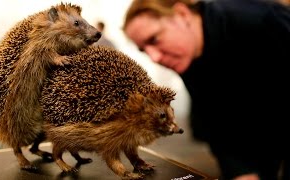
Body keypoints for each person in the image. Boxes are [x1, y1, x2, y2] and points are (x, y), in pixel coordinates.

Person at [122, 0, 290, 179]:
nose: (154, 57)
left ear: (182, 15)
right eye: (144, 50)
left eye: (154, 39)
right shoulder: (186, 55)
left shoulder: (263, 21)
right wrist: (241, 171)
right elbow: (216, 119)